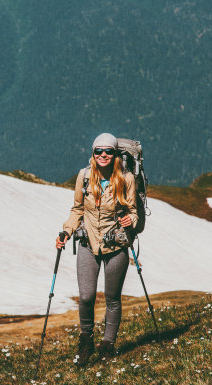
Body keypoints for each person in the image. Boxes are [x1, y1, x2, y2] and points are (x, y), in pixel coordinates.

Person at [56, 133, 138, 366]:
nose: (103, 155)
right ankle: (86, 342)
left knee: (112, 298)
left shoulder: (127, 178)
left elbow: (133, 211)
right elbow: (77, 209)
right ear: (92, 153)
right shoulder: (84, 176)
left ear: (115, 154)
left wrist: (129, 221)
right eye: (98, 151)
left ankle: (107, 345)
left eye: (108, 151)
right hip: (87, 244)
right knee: (86, 296)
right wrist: (66, 232)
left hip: (116, 245)